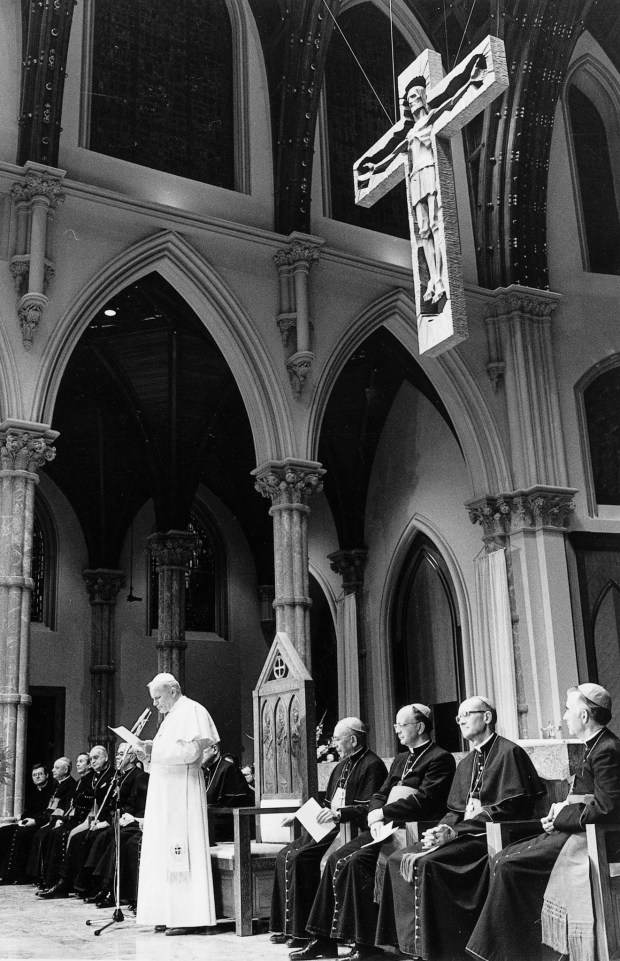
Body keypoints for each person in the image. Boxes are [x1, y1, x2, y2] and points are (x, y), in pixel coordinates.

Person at [376, 695, 545, 961]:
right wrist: (442, 829)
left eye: (467, 714)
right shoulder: (466, 763)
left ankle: (443, 952)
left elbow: (512, 808)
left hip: (493, 836)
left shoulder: (509, 752)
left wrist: (457, 831)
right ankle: (411, 950)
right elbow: (455, 809)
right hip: (463, 832)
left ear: (487, 717)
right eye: (458, 717)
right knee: (399, 858)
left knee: (429, 864)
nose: (461, 720)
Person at [467, 683, 620, 961]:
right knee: (503, 857)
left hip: (598, 840)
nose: (564, 717)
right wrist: (559, 811)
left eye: (568, 710)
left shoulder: (605, 749)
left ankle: (515, 954)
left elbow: (607, 807)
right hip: (579, 832)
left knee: (510, 865)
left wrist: (562, 818)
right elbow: (585, 799)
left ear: (584, 716)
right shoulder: (596, 746)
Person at [299, 704, 455, 961]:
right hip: (386, 827)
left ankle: (366, 945)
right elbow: (380, 793)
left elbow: (425, 801)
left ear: (420, 726)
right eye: (395, 726)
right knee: (338, 859)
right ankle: (323, 939)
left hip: (413, 829)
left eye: (401, 725)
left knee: (357, 862)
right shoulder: (402, 758)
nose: (397, 731)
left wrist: (383, 813)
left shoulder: (440, 758)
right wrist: (374, 813)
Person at [355, 52, 486, 305]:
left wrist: (471, 83)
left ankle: (441, 279)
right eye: (410, 98)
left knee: (438, 225)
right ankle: (434, 278)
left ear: (425, 98)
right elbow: (392, 156)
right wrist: (372, 170)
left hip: (430, 173)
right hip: (415, 180)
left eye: (417, 95)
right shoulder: (410, 132)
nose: (413, 100)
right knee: (423, 231)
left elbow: (451, 103)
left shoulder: (431, 120)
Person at [270, 717, 387, 951]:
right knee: (286, 853)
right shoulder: (340, 766)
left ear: (353, 740)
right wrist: (300, 815)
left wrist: (339, 815)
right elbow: (325, 804)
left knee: (301, 858)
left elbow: (369, 808)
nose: (334, 744)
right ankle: (296, 928)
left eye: (337, 738)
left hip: (351, 827)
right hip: (331, 825)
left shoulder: (372, 765)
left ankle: (313, 932)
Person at [134, 672, 219, 936]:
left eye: (158, 697)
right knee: (161, 850)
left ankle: (189, 916)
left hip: (183, 793)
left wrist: (153, 751)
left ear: (172, 691)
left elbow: (193, 752)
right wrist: (147, 750)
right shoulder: (171, 717)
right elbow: (165, 753)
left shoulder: (192, 710)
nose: (155, 704)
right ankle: (166, 912)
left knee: (181, 850)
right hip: (164, 794)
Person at [37, 744, 113, 898]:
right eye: (90, 759)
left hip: (101, 820)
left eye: (95, 758)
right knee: (56, 834)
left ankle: (72, 884)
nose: (92, 761)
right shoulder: (94, 777)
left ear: (105, 757)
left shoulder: (110, 775)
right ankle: (55, 881)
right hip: (90, 819)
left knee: (75, 837)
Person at [82, 742, 149, 906]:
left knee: (113, 837)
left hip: (135, 821)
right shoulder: (118, 776)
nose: (117, 757)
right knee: (101, 836)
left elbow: (140, 804)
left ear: (132, 757)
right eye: (117, 754)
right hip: (120, 819)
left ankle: (109, 889)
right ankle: (100, 887)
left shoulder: (141, 775)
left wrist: (128, 817)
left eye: (121, 754)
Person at [36, 751, 94, 892]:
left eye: (81, 761)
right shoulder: (80, 781)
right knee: (54, 832)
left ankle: (61, 882)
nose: (78, 764)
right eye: (78, 761)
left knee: (58, 834)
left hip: (83, 820)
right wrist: (62, 819)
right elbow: (70, 805)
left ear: (89, 765)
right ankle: (50, 880)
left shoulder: (91, 780)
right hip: (72, 818)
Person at [23, 757, 76, 886]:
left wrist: (51, 821)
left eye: (56, 768)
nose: (53, 770)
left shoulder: (70, 784)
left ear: (66, 770)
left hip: (58, 820)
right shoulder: (57, 785)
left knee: (42, 835)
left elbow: (63, 808)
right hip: (49, 819)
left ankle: (43, 877)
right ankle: (37, 876)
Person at [0, 763, 54, 884]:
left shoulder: (52, 790)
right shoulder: (32, 792)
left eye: (40, 774)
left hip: (40, 824)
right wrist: (21, 819)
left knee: (20, 834)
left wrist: (34, 821)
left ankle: (15, 874)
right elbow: (28, 811)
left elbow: (48, 813)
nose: (37, 777)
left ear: (47, 775)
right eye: (34, 775)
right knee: (4, 831)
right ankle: (3, 872)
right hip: (27, 822)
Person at [203, 742, 253, 842]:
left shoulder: (229, 768)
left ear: (215, 749)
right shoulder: (205, 771)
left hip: (226, 831)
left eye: (201, 750)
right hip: (209, 826)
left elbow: (237, 803)